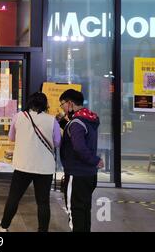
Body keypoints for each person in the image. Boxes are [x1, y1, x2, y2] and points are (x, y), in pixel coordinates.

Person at [0, 92, 61, 232]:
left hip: (23, 165)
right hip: (44, 168)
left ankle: (3, 226)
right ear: (45, 104)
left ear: (29, 103)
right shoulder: (52, 120)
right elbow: (56, 142)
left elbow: (11, 137)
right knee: (43, 202)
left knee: (14, 198)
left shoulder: (18, 117)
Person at [58, 89, 104, 232]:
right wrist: (63, 124)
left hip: (76, 175)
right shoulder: (89, 119)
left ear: (70, 103)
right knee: (84, 211)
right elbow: (78, 136)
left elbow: (79, 148)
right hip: (89, 175)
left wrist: (95, 160)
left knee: (75, 213)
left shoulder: (76, 123)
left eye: (63, 104)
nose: (63, 108)